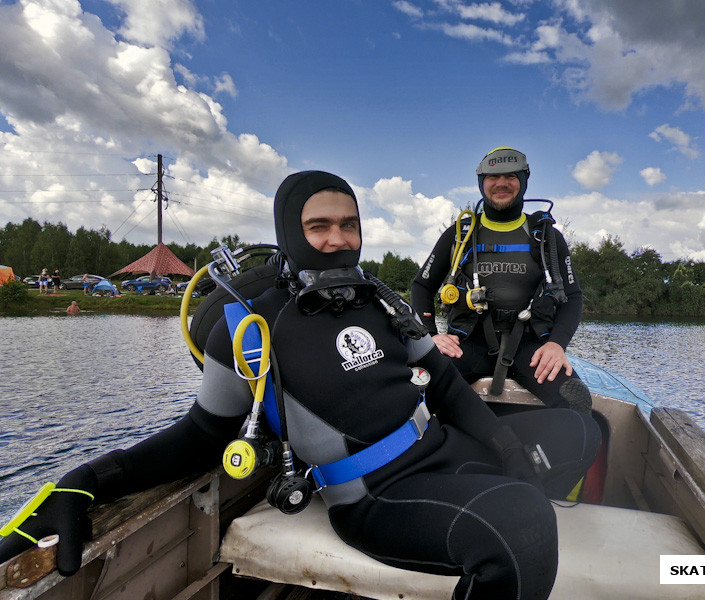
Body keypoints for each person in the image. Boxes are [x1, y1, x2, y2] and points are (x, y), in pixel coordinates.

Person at [0, 170, 600, 600]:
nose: (339, 239)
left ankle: (494, 488)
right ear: (290, 229)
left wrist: (507, 448)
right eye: (319, 227)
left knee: (584, 427)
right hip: (373, 494)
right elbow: (200, 437)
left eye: (348, 224)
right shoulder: (248, 328)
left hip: (439, 447)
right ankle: (499, 514)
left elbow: (444, 385)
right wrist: (89, 480)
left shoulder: (378, 299)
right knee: (522, 525)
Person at [411, 147, 591, 412]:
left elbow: (573, 297)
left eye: (511, 176)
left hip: (531, 346)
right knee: (414, 394)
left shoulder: (547, 237)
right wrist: (429, 336)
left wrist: (557, 344)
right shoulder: (459, 233)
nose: (502, 183)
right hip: (466, 342)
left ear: (524, 179)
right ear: (482, 182)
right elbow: (421, 286)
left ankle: (533, 451)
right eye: (493, 177)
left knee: (576, 401)